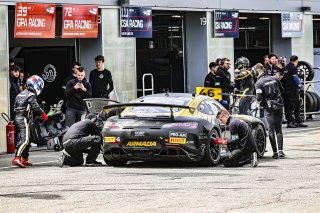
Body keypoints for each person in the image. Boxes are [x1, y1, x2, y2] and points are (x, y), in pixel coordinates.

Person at [12, 75, 48, 168]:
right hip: (23, 118)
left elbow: (15, 107)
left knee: (28, 138)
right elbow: (35, 106)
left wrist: (14, 119)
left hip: (18, 118)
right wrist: (43, 114)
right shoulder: (31, 95)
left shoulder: (20, 94)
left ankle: (24, 159)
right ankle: (17, 158)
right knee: (25, 139)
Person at [255, 63, 285, 159]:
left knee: (271, 130)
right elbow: (282, 90)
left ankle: (275, 152)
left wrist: (258, 101)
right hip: (279, 105)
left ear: (256, 73)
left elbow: (259, 98)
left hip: (268, 108)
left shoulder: (258, 83)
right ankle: (281, 151)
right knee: (279, 129)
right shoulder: (274, 78)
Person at [282, 55, 308, 128]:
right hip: (293, 91)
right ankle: (290, 122)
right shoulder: (293, 67)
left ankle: (298, 121)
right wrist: (301, 87)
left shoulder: (285, 68)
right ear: (296, 60)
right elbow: (296, 78)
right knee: (292, 107)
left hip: (286, 91)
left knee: (294, 106)